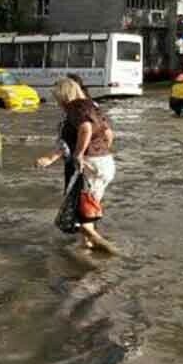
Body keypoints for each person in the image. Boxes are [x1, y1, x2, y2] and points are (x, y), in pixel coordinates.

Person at [36, 78, 116, 253]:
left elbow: (85, 128)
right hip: (106, 163)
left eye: (58, 98)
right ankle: (86, 245)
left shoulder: (74, 108)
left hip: (90, 163)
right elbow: (109, 133)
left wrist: (80, 153)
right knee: (89, 207)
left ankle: (103, 245)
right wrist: (102, 150)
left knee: (77, 211)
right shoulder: (93, 107)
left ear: (64, 95)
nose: (58, 102)